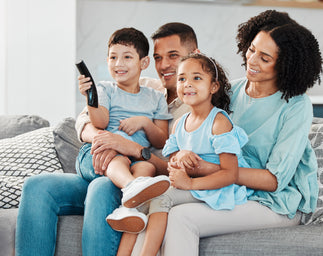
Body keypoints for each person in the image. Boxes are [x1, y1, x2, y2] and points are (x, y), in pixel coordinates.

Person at [131, 9, 323, 255]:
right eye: (252, 49)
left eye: (265, 58)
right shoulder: (230, 91)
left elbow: (274, 181)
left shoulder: (297, 105)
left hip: (274, 202)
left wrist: (204, 169)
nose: (252, 61)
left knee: (181, 218)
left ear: (286, 65)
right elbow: (195, 131)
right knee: (150, 203)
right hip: (229, 190)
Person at [15, 22, 197, 256]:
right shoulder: (142, 85)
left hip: (141, 173)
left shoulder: (197, 108)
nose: (164, 65)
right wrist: (104, 139)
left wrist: (133, 148)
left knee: (103, 185)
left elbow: (177, 166)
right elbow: (84, 123)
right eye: (159, 57)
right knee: (37, 186)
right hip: (103, 159)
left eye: (173, 56)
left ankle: (132, 191)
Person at [115, 53, 252, 255]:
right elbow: (172, 162)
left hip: (216, 188)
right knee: (139, 201)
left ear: (214, 86)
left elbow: (230, 174)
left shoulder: (219, 122)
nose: (187, 84)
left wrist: (190, 184)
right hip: (190, 185)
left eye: (196, 78)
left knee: (161, 198)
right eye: (181, 79)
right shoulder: (179, 124)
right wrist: (179, 157)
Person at [75, 27, 172, 232]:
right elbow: (100, 122)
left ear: (143, 63)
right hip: (102, 150)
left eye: (127, 57)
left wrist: (145, 122)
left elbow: (161, 141)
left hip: (135, 156)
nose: (118, 64)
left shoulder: (156, 97)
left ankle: (127, 209)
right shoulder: (105, 89)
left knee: (148, 168)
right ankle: (130, 187)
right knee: (118, 159)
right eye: (113, 57)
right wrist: (89, 98)